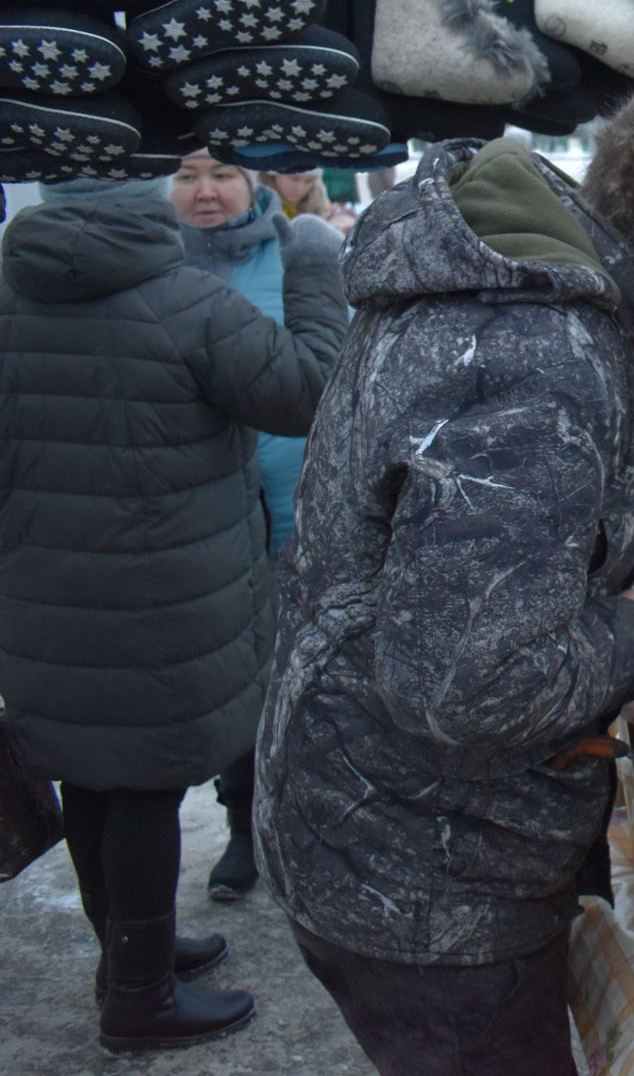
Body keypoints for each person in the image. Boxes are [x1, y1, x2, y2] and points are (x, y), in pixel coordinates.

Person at [253, 87, 634, 1076]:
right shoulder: (537, 350)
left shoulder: (511, 285)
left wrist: (599, 520)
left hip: (378, 821)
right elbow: (471, 682)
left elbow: (427, 518)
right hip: (429, 870)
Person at [0, 174, 346, 1053]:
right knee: (148, 785)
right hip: (162, 598)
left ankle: (124, 959)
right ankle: (141, 999)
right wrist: (313, 267)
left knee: (90, 776)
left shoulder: (10, 293)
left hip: (43, 599)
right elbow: (308, 392)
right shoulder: (180, 299)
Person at [166, 149, 349, 904]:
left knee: (312, 677)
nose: (205, 192)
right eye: (186, 177)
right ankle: (242, 827)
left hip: (301, 505)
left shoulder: (301, 259)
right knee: (230, 682)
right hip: (205, 518)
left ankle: (317, 826)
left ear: (254, 183)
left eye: (222, 175)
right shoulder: (154, 272)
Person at [259, 166, 357, 235]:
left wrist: (341, 221)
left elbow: (330, 212)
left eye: (309, 181)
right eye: (293, 179)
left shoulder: (316, 197)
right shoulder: (257, 204)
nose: (300, 188)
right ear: (272, 175)